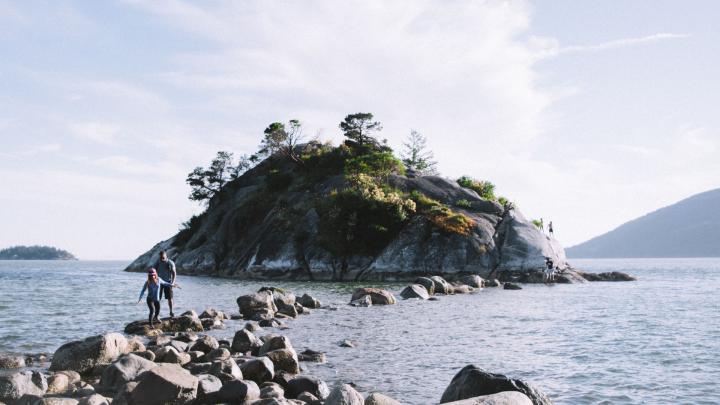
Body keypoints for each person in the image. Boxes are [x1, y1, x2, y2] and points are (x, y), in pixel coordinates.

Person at [154, 250, 177, 317]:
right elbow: (153, 271)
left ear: (166, 256)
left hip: (168, 282)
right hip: (159, 283)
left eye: (163, 258)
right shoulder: (157, 262)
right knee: (158, 298)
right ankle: (157, 314)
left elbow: (174, 273)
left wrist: (173, 282)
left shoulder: (170, 263)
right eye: (161, 258)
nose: (162, 259)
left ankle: (171, 312)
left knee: (170, 298)